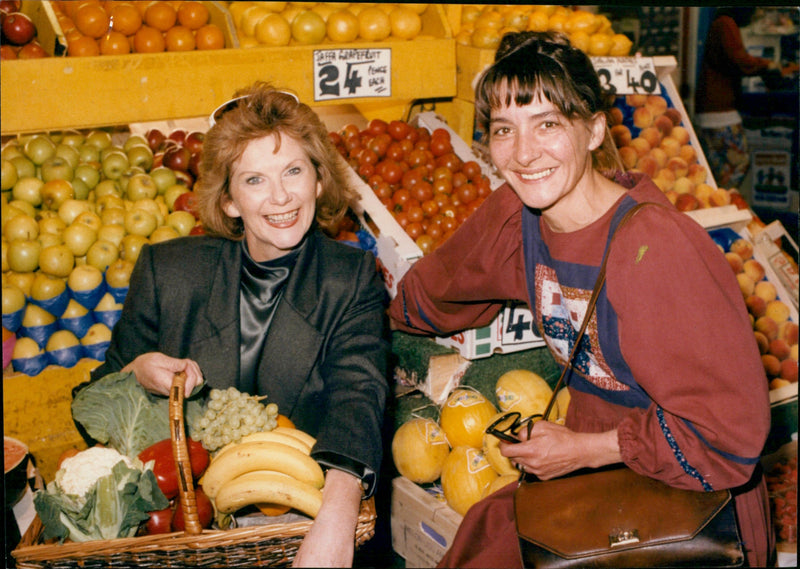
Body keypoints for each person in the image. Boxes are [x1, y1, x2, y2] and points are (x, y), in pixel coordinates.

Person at [389, 32, 773, 568]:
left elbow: (727, 438)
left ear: (593, 129)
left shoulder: (655, 250)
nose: (523, 154)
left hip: (684, 509)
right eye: (504, 130)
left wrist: (582, 450)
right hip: (583, 487)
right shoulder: (517, 218)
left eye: (547, 124)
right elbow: (429, 293)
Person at [84, 82, 390, 567]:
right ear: (228, 201)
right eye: (254, 180)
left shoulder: (349, 279)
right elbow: (92, 407)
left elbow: (359, 398)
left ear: (317, 179)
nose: (281, 196)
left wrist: (335, 522)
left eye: (293, 170)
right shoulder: (168, 272)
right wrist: (136, 370)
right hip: (183, 535)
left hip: (297, 523)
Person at [695, 7, 795, 190]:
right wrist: (769, 64)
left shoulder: (718, 23)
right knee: (739, 163)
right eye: (756, 8)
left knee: (717, 170)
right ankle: (723, 204)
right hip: (722, 112)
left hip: (708, 111)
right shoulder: (726, 23)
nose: (757, 13)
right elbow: (739, 58)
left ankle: (718, 202)